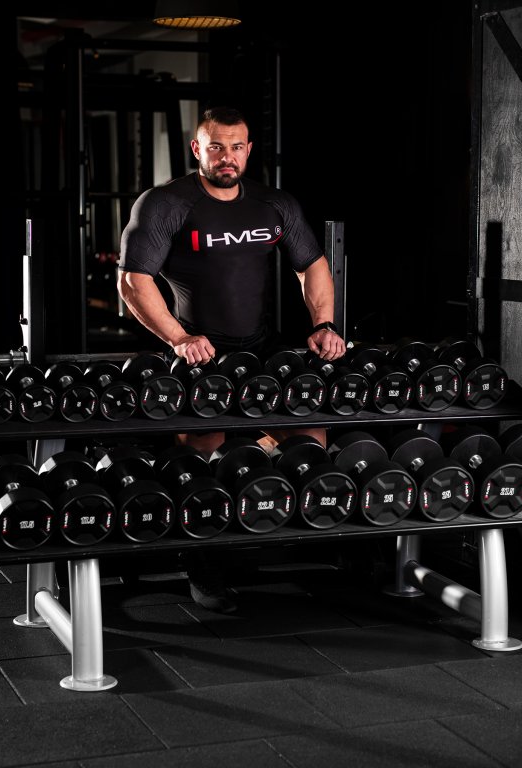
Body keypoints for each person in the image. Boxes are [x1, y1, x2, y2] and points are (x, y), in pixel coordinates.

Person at [117, 106, 345, 612]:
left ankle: (273, 536)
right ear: (197, 149)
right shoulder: (166, 203)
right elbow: (134, 281)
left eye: (237, 146)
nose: (227, 156)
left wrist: (324, 324)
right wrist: (179, 338)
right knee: (204, 456)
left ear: (248, 150)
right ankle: (205, 567)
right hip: (198, 351)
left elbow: (312, 265)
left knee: (310, 434)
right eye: (216, 146)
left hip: (259, 347)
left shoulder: (273, 204)